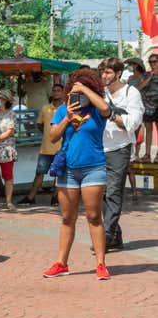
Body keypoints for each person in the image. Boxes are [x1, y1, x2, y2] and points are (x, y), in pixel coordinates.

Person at [44, 68, 111, 281]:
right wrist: (67, 118)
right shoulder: (63, 109)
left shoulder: (96, 110)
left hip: (94, 168)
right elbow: (53, 136)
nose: (78, 94)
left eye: (83, 89)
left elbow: (106, 108)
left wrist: (85, 89)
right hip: (68, 170)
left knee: (93, 216)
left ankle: (100, 264)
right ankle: (61, 263)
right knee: (67, 217)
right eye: (75, 88)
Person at [100, 57, 144, 251]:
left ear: (118, 73)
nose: (104, 76)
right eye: (102, 72)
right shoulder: (99, 94)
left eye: (108, 72)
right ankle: (115, 235)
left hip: (120, 147)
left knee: (113, 191)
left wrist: (110, 114)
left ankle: (107, 235)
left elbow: (134, 123)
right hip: (99, 148)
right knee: (100, 192)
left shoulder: (131, 92)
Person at [19, 84, 65, 206]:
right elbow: (40, 124)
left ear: (63, 92)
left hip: (61, 147)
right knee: (39, 173)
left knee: (59, 174)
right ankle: (30, 197)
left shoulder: (66, 109)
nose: (56, 93)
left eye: (58, 90)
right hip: (46, 148)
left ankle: (55, 198)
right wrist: (47, 133)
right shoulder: (45, 108)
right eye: (54, 90)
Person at [137, 53, 158, 163]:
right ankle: (147, 154)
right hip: (148, 106)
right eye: (150, 62)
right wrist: (150, 77)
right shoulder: (146, 75)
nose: (152, 64)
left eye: (154, 62)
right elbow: (139, 88)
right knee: (148, 130)